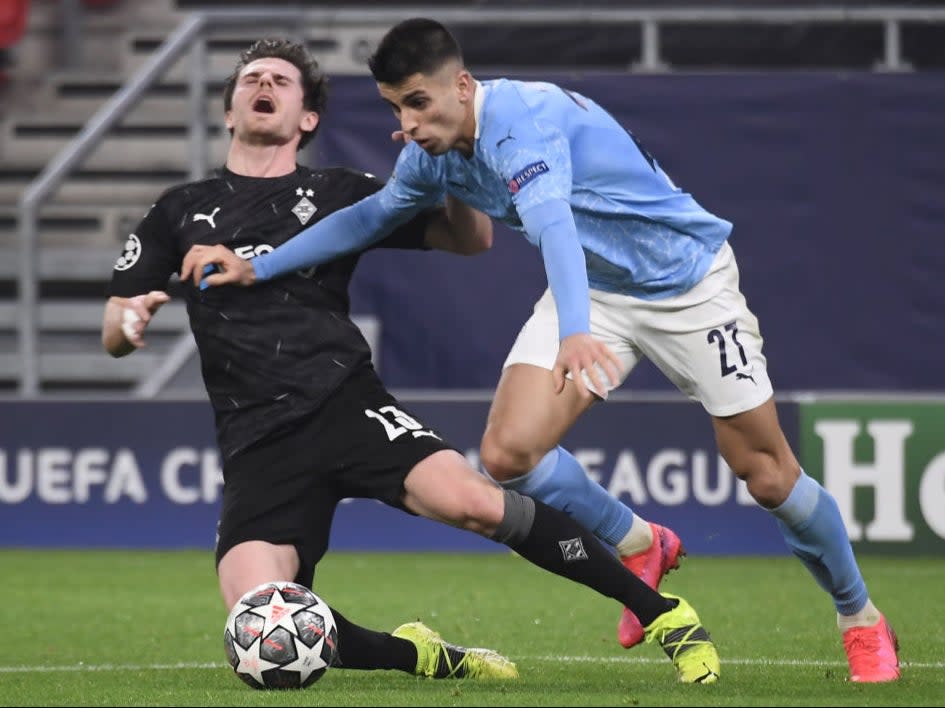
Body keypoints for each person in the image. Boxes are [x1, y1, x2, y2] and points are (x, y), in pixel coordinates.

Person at [184, 20, 900, 684]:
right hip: (592, 291)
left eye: (417, 104)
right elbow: (370, 217)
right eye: (395, 108)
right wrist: (261, 264)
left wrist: (573, 330)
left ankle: (858, 615)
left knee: (767, 476)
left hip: (686, 283)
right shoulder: (435, 150)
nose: (405, 126)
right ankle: (637, 542)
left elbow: (554, 226)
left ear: (461, 87)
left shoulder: (520, 126)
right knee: (507, 456)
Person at [105, 38, 720, 684]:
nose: (263, 83)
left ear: (307, 118)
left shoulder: (341, 190)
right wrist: (129, 319)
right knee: (256, 625)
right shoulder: (177, 210)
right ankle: (421, 655)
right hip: (254, 438)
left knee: (476, 504)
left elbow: (469, 238)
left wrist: (448, 171)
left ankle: (661, 612)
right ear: (230, 110)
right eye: (251, 77)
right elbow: (114, 330)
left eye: (281, 80)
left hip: (345, 402)